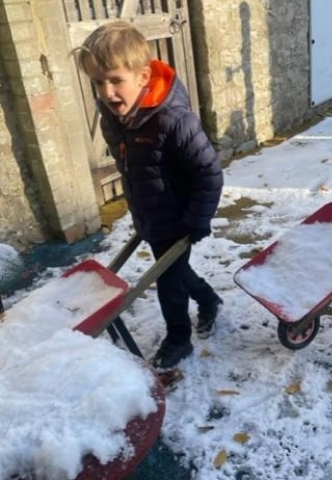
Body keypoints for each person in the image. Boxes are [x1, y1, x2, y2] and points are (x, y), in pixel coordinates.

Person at [75, 21, 224, 368]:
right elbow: (133, 165)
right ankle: (208, 298)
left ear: (142, 77)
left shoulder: (173, 120)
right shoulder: (115, 116)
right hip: (151, 211)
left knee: (168, 283)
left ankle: (178, 339)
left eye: (116, 80)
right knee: (172, 268)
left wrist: (197, 220)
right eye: (98, 82)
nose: (107, 91)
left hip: (179, 217)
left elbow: (209, 173)